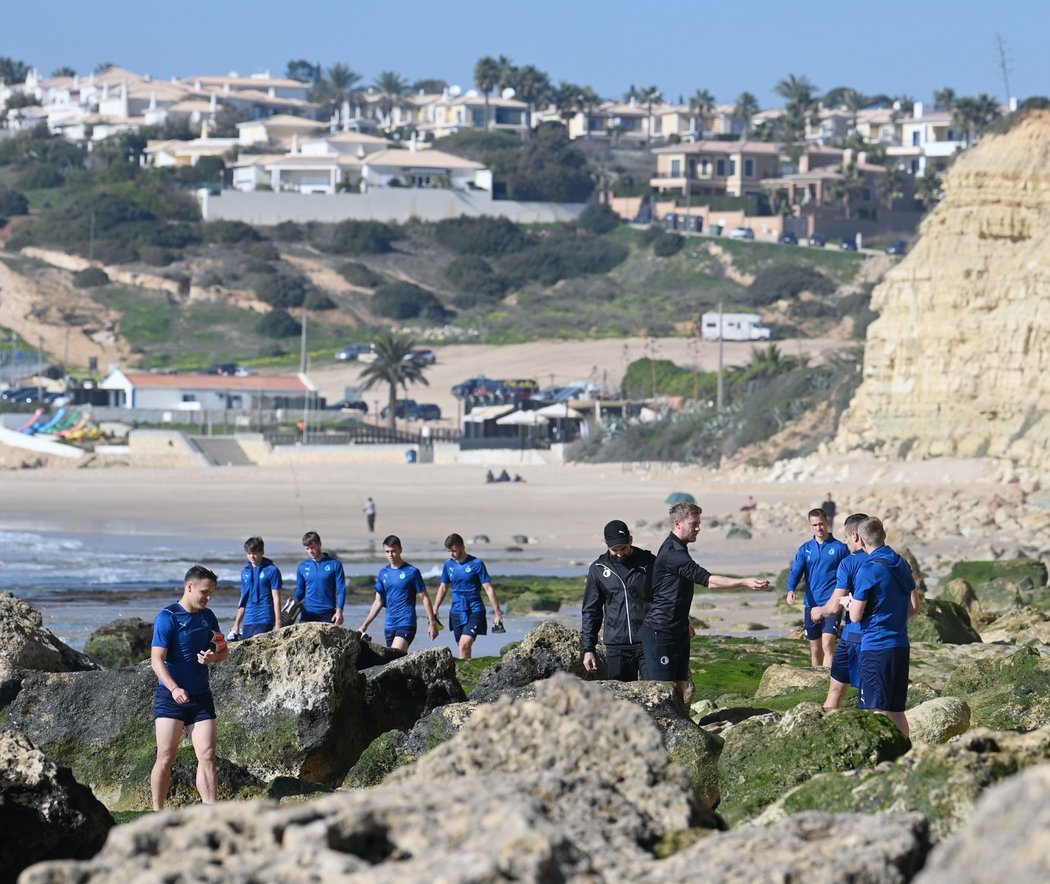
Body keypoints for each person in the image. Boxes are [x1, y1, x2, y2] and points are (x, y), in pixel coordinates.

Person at [642, 502, 769, 699]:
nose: (698, 528)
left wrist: (684, 621)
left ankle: (683, 725)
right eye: (694, 524)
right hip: (661, 631)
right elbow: (708, 580)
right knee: (663, 691)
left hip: (678, 628)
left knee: (682, 686)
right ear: (678, 524)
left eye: (698, 523)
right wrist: (744, 581)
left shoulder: (679, 548)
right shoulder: (672, 554)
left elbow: (672, 592)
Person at [150, 565, 228, 811]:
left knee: (207, 755)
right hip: (171, 698)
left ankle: (210, 811)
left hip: (201, 697)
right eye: (204, 592)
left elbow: (223, 650)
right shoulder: (168, 617)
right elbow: (156, 660)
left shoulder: (208, 617)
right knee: (166, 756)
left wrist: (212, 658)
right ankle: (157, 810)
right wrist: (173, 688)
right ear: (189, 587)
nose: (208, 597)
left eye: (211, 593)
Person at [849, 517, 921, 736]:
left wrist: (849, 602)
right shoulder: (900, 562)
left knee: (876, 709)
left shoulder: (868, 569)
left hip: (876, 646)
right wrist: (894, 619)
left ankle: (884, 762)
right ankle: (905, 757)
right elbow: (915, 606)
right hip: (900, 644)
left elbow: (854, 616)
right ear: (884, 535)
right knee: (897, 710)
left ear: (859, 539)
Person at [581, 519, 654, 681]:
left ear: (631, 540)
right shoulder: (598, 569)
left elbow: (665, 598)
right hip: (616, 646)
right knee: (621, 701)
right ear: (605, 543)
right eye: (614, 549)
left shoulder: (650, 562)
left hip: (649, 642)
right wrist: (588, 649)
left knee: (656, 693)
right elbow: (591, 611)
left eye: (623, 548)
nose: (620, 553)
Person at [812, 513, 869, 710]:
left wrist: (819, 611)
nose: (845, 542)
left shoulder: (850, 562)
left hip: (855, 635)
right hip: (885, 636)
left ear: (855, 536)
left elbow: (835, 606)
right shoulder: (893, 560)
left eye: (845, 537)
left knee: (837, 691)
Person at [786, 508, 850, 668]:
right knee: (815, 649)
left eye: (821, 524)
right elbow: (796, 571)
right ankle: (816, 679)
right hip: (811, 603)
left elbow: (851, 571)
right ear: (810, 525)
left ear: (826, 522)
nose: (818, 528)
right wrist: (791, 589)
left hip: (832, 603)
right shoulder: (805, 549)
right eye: (814, 525)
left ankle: (827, 679)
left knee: (828, 643)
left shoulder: (840, 548)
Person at [358, 535, 440, 650]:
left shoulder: (412, 572)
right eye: (387, 551)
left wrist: (432, 623)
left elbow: (425, 598)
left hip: (406, 623)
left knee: (395, 653)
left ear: (400, 549)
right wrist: (365, 625)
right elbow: (378, 602)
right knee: (393, 662)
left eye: (393, 551)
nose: (390, 555)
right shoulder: (383, 573)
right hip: (389, 625)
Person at [433, 533, 505, 660]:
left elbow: (488, 588)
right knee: (463, 648)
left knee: (463, 645)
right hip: (456, 611)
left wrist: (498, 613)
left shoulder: (477, 563)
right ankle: (466, 676)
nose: (451, 554)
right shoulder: (448, 564)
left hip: (475, 610)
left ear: (462, 547)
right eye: (449, 551)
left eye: (454, 550)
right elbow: (443, 587)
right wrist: (435, 609)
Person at [229, 536, 282, 640]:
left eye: (255, 553)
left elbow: (277, 598)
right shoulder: (245, 572)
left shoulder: (272, 570)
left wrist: (278, 623)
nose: (252, 556)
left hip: (265, 617)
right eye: (249, 553)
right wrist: (236, 624)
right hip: (248, 620)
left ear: (262, 552)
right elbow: (243, 599)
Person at [295, 531, 346, 625]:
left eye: (312, 547)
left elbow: (341, 590)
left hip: (328, 613)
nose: (310, 551)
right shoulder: (302, 566)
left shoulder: (335, 564)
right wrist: (293, 603)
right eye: (307, 548)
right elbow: (300, 590)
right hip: (308, 613)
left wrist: (339, 611)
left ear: (319, 544)